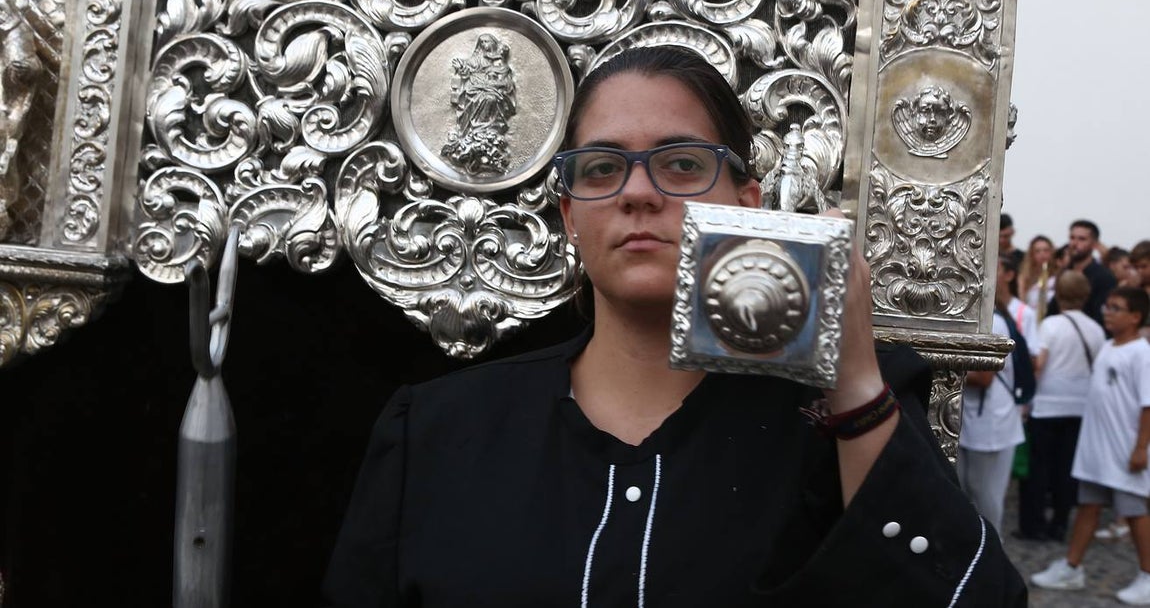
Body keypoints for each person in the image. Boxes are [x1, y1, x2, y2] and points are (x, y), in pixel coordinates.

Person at [323, 46, 1026, 607]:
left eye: (682, 163)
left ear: (747, 203)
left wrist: (854, 382)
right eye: (601, 168)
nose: (636, 192)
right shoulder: (439, 431)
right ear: (571, 216)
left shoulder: (833, 426)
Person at [1031, 287, 1150, 604]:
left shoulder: (1142, 353)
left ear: (1136, 316)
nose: (1107, 311)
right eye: (1108, 306)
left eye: (1116, 308)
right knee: (1088, 506)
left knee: (1135, 511)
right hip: (1097, 448)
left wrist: (1141, 448)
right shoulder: (1109, 346)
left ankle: (1148, 576)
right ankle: (1072, 567)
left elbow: (1147, 405)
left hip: (1124, 449)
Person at [1016, 270, 1105, 541]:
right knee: (1066, 469)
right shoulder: (1096, 328)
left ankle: (1034, 524)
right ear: (1086, 295)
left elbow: (1039, 365)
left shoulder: (1051, 325)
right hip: (1080, 406)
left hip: (1048, 405)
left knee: (1039, 468)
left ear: (1058, 295)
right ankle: (1060, 523)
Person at [958, 254, 1029, 536]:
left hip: (992, 424)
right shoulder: (986, 317)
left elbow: (985, 377)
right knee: (970, 495)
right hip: (977, 421)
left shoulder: (994, 322)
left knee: (986, 500)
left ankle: (993, 564)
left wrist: (943, 368)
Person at [1048, 220, 1117, 328]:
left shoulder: (1103, 277)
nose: (1075, 244)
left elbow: (1101, 317)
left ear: (1094, 244)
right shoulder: (1063, 273)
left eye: (1082, 239)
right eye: (1072, 238)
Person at [1017, 235, 1056, 319]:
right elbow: (1022, 303)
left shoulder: (1058, 274)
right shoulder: (1025, 277)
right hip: (1032, 318)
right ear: (1032, 254)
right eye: (1037, 251)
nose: (1042, 254)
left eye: (1046, 250)